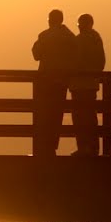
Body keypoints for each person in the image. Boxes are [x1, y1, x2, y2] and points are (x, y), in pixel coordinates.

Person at [31, 9, 77, 156]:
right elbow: (76, 56)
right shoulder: (70, 37)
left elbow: (36, 54)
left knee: (43, 113)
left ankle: (43, 146)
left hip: (45, 82)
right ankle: (52, 146)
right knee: (57, 114)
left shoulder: (45, 35)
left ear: (50, 20)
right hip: (62, 82)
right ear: (62, 20)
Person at [71, 14, 107, 157]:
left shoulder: (78, 40)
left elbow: (72, 61)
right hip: (91, 85)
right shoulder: (96, 39)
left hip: (78, 85)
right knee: (91, 117)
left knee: (79, 118)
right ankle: (93, 148)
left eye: (80, 24)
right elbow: (101, 62)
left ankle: (83, 148)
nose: (79, 27)